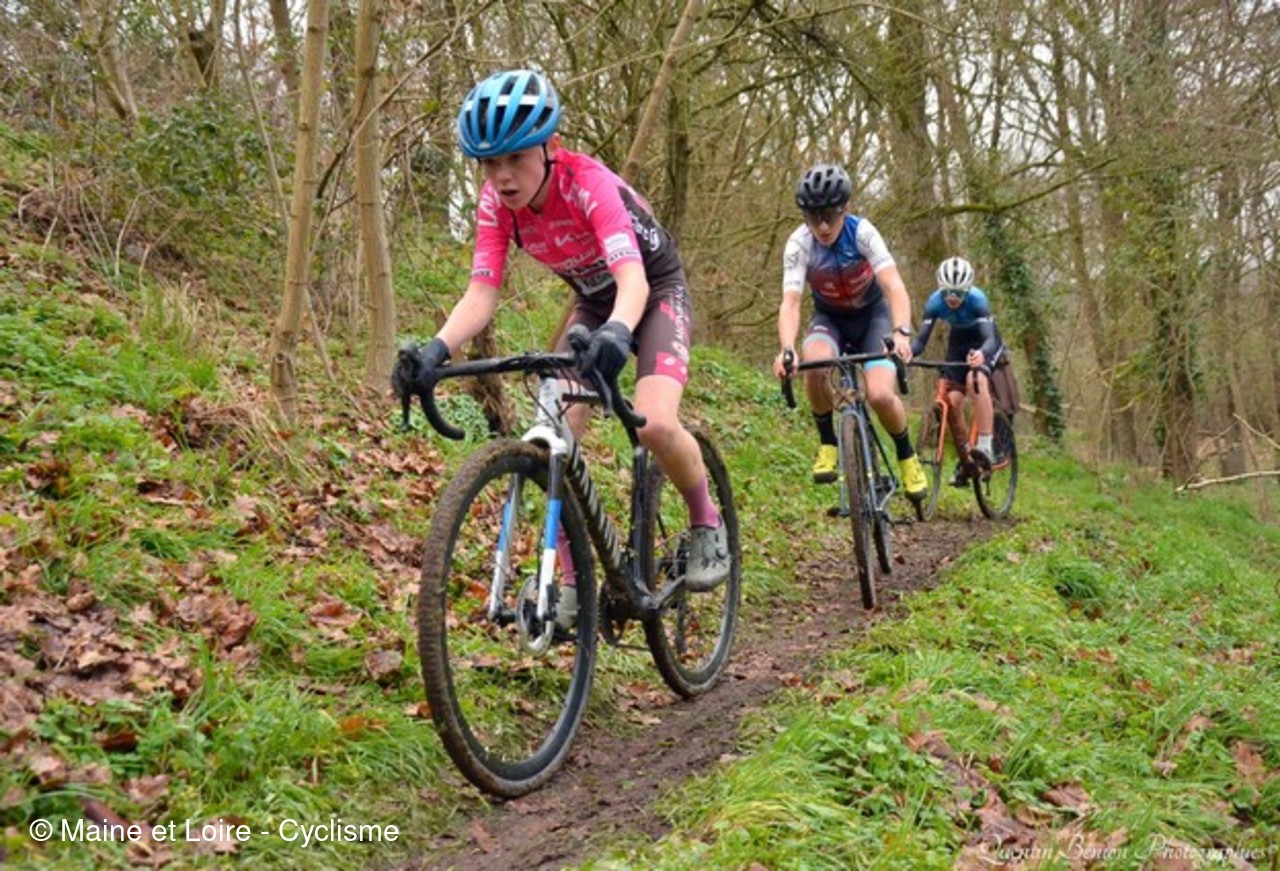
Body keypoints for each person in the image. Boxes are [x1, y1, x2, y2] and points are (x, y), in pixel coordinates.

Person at [397, 69, 729, 626]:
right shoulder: (495, 205)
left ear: (551, 146)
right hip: (595, 303)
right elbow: (481, 293)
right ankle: (572, 583)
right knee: (555, 432)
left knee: (654, 423)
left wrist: (619, 333)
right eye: (489, 163)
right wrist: (436, 349)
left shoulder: (587, 184)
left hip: (652, 291)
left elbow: (633, 281)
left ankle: (706, 521)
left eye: (515, 159)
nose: (502, 177)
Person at [771, 163, 927, 503]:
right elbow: (791, 302)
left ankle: (907, 456)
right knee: (814, 364)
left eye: (829, 216)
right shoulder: (799, 244)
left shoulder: (863, 233)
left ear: (845, 209)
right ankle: (828, 442)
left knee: (880, 395)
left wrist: (901, 332)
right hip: (830, 320)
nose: (823, 227)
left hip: (872, 318)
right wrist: (786, 348)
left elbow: (894, 286)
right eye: (813, 218)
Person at [909, 255, 1008, 486]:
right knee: (952, 400)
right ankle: (966, 457)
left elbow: (989, 339)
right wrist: (907, 353)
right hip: (959, 340)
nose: (952, 298)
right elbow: (920, 341)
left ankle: (985, 446)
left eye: (958, 293)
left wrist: (981, 354)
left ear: (968, 289)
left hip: (985, 340)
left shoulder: (978, 300)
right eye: (947, 293)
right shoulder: (934, 302)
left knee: (976, 379)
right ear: (940, 289)